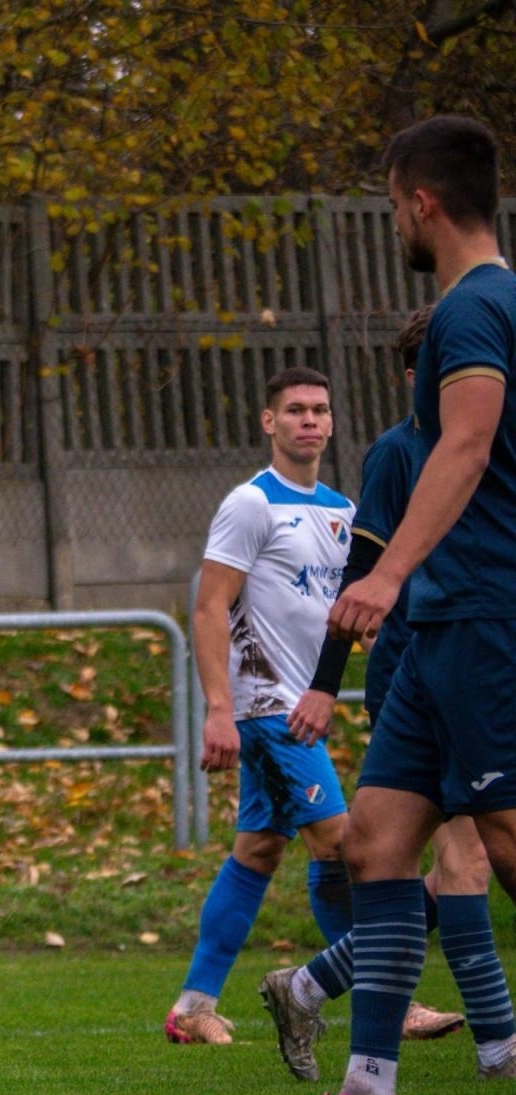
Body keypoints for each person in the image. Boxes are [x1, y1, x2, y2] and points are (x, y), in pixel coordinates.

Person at [265, 115, 516, 1095]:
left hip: (483, 616)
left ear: (419, 201)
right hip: (440, 639)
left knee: (502, 846)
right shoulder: (481, 304)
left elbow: (466, 443)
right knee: (376, 844)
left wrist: (386, 571)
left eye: (389, 204)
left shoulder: (475, 305)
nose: (392, 223)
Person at [164, 367, 355, 1046]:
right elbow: (211, 605)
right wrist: (220, 709)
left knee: (259, 850)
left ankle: (193, 1006)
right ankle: (383, 991)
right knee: (340, 842)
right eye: (296, 410)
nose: (310, 420)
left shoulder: (341, 511)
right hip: (267, 705)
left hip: (304, 706)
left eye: (320, 410)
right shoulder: (251, 503)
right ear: (270, 422)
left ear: (331, 424)